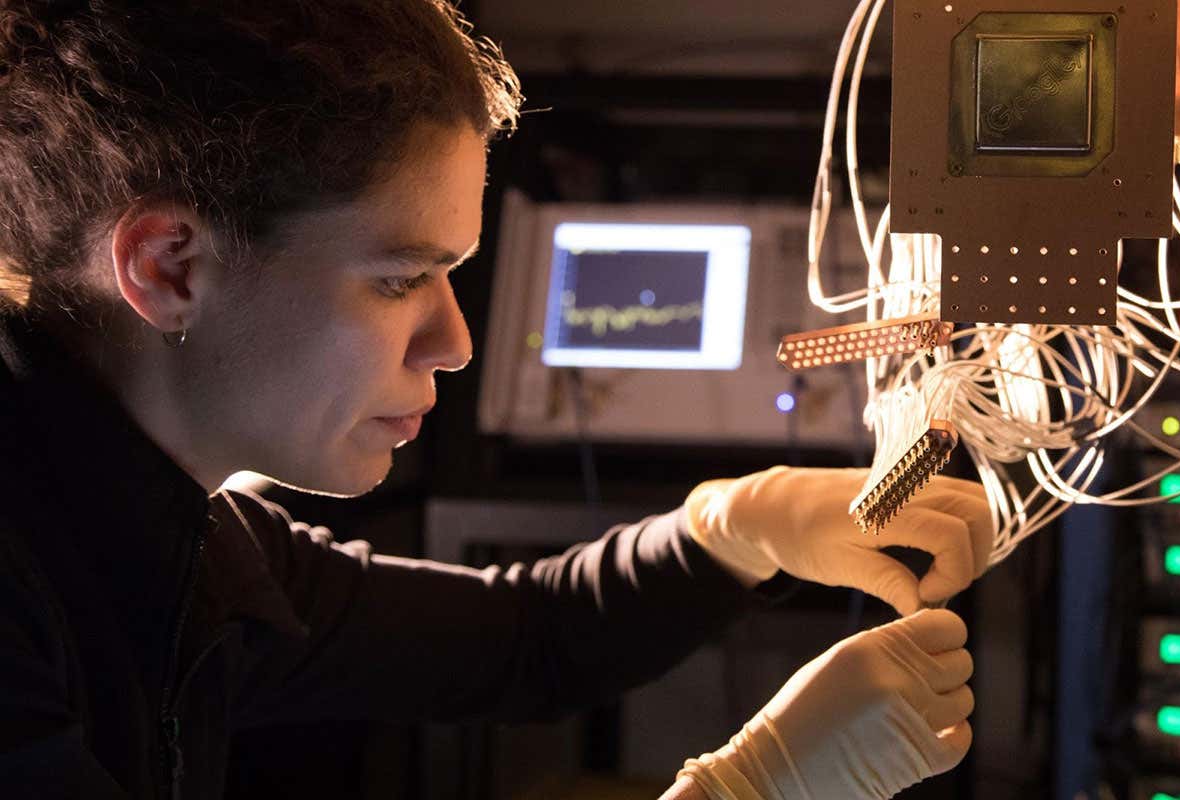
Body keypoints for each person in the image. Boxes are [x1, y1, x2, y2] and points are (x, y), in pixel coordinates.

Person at [0, 1, 991, 798]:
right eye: (399, 279)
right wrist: (755, 787)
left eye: (452, 275)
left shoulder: (191, 538)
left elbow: (526, 641)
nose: (456, 343)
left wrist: (726, 531)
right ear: (170, 267)